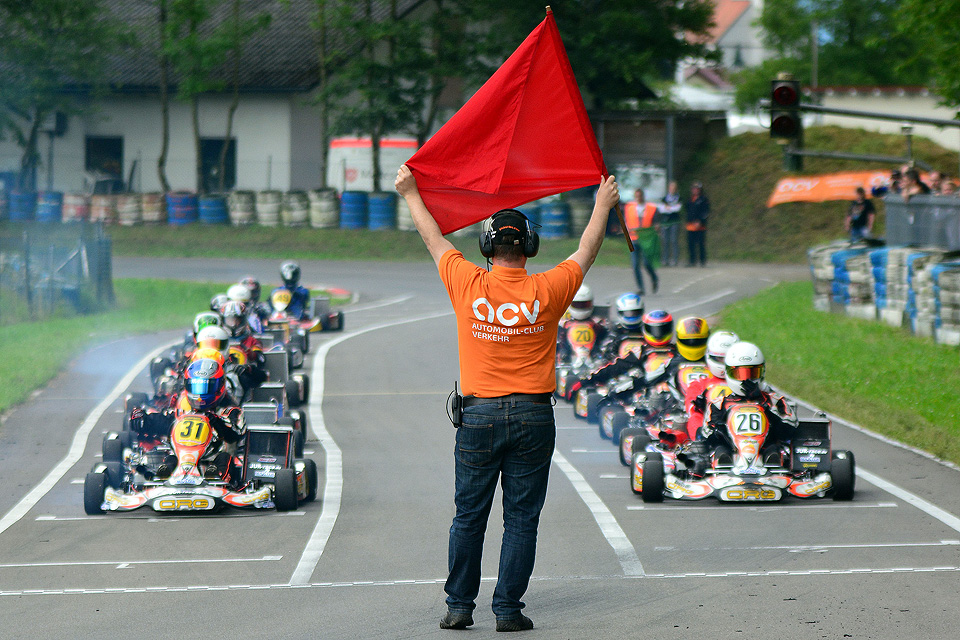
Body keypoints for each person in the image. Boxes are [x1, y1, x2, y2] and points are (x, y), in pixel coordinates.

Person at [395, 163, 619, 633]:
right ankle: (508, 610)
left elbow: (432, 237)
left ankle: (459, 606)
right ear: (529, 247)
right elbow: (587, 250)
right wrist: (602, 205)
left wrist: (411, 192)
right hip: (534, 418)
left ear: (487, 246)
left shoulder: (467, 282)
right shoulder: (549, 289)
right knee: (521, 519)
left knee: (468, 515)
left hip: (477, 417)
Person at [695, 342, 797, 473]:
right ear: (728, 373)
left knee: (774, 450)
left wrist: (765, 407)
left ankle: (774, 462)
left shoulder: (774, 400)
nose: (746, 380)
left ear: (761, 372)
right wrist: (721, 426)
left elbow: (790, 429)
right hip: (731, 454)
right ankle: (723, 463)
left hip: (766, 451)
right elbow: (706, 434)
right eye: (740, 374)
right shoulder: (718, 404)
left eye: (752, 373)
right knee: (720, 451)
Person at [684, 330, 738, 439]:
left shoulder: (746, 383)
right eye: (721, 359)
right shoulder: (699, 385)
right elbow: (691, 409)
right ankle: (700, 441)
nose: (725, 363)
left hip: (739, 427)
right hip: (710, 431)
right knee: (695, 415)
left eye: (729, 358)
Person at [556, 284, 609, 363]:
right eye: (577, 305)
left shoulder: (597, 324)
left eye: (584, 304)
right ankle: (563, 359)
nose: (580, 307)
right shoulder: (564, 324)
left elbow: (606, 340)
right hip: (568, 358)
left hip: (594, 359)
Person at [623, 188, 659, 294]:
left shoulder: (651, 208)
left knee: (647, 264)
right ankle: (640, 288)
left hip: (646, 240)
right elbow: (626, 221)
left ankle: (654, 277)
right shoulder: (629, 207)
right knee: (635, 265)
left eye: (640, 196)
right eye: (636, 196)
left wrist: (655, 228)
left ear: (643, 196)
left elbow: (656, 223)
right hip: (633, 239)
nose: (638, 198)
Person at [685, 181, 709, 267]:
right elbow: (688, 211)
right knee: (691, 244)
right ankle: (692, 260)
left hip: (700, 226)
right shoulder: (689, 199)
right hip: (690, 226)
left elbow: (706, 212)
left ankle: (702, 261)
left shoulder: (704, 199)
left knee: (701, 244)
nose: (695, 190)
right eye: (693, 189)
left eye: (697, 189)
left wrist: (700, 221)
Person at [659, 181, 682, 266]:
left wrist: (669, 208)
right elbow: (661, 209)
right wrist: (670, 208)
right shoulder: (664, 198)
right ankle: (665, 259)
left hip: (674, 222)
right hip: (665, 222)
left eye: (674, 188)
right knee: (665, 241)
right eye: (671, 188)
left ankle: (675, 259)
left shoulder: (678, 198)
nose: (672, 189)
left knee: (674, 240)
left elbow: (677, 209)